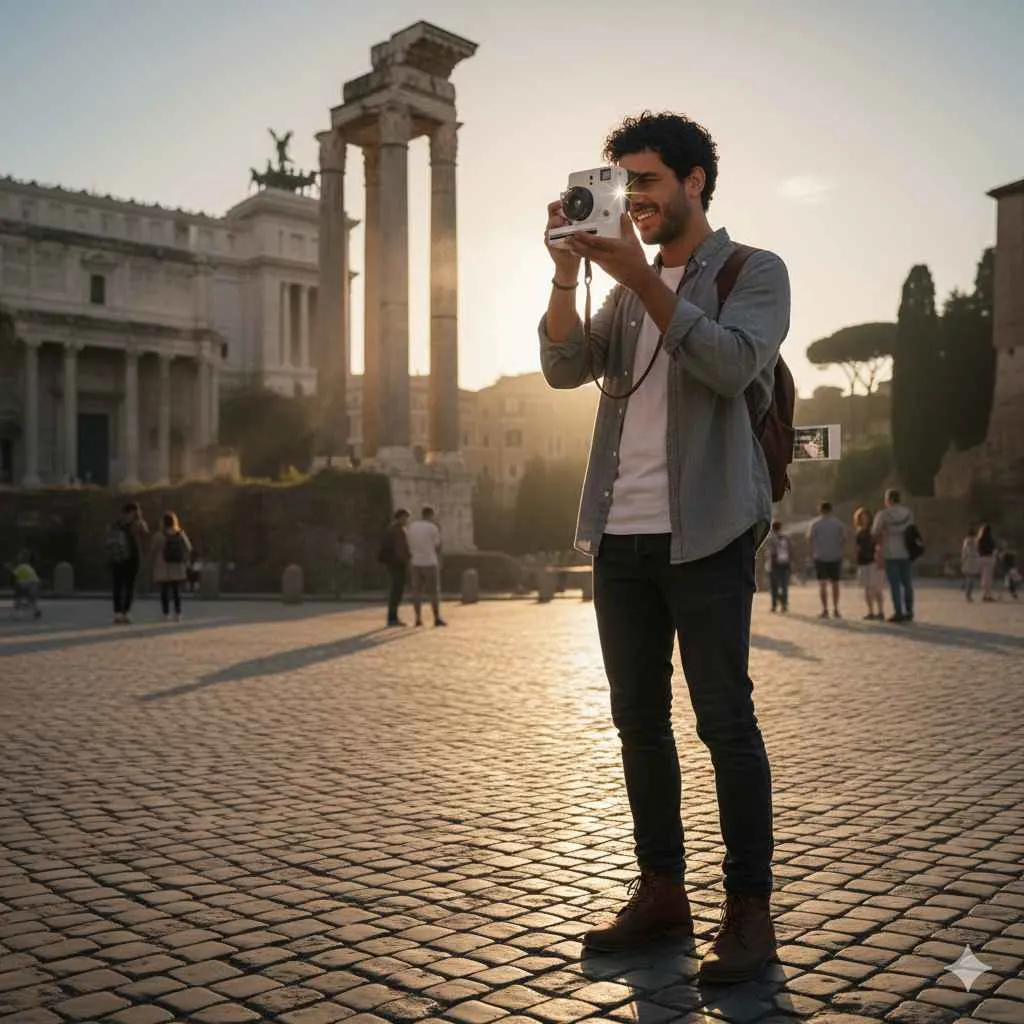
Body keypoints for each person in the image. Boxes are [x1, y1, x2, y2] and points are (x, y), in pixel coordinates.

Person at [540, 111, 790, 983]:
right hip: (620, 534)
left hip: (711, 530)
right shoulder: (616, 288)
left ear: (694, 182)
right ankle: (661, 891)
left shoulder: (755, 273)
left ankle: (749, 912)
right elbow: (566, 371)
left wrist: (646, 281)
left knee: (725, 721)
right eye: (622, 183)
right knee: (638, 723)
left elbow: (728, 366)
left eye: (646, 181)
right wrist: (569, 277)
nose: (633, 198)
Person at [872, 489, 915, 622]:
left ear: (888, 499)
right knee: (907, 583)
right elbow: (912, 529)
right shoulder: (908, 513)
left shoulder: (883, 514)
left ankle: (898, 612)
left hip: (890, 552)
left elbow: (875, 531)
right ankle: (909, 610)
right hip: (906, 551)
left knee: (894, 584)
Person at [107, 501, 149, 624]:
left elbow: (145, 539)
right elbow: (109, 542)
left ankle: (125, 612)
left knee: (129, 585)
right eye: (132, 512)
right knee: (118, 585)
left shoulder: (138, 525)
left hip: (133, 558)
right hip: (119, 557)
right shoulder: (116, 525)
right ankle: (118, 612)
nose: (134, 515)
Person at [406, 506, 447, 628]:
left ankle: (418, 619)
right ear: (431, 515)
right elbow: (437, 545)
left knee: (416, 591)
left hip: (415, 562)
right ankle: (436, 617)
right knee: (433, 591)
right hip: (429, 561)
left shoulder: (412, 526)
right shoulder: (433, 527)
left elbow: (408, 543)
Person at [151, 511, 192, 622]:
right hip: (177, 566)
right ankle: (178, 613)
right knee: (176, 591)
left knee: (164, 592)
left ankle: (166, 614)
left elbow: (153, 548)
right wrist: (185, 560)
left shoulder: (159, 535)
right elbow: (188, 548)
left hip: (163, 566)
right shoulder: (180, 534)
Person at [807, 501, 845, 618]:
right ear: (831, 510)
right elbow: (843, 539)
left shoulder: (815, 524)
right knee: (835, 584)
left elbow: (809, 538)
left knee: (822, 584)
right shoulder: (838, 524)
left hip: (820, 556)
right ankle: (836, 609)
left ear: (820, 510)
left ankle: (825, 609)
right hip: (835, 556)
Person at [378, 509, 411, 627]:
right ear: (401, 517)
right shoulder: (398, 530)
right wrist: (406, 560)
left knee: (396, 589)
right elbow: (400, 549)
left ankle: (392, 616)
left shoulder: (391, 529)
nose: (407, 520)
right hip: (397, 562)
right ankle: (392, 617)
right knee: (397, 589)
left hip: (391, 562)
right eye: (406, 518)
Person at [853, 507, 885, 620]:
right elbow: (857, 547)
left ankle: (881, 611)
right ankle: (870, 611)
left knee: (876, 588)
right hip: (863, 562)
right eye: (862, 518)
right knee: (867, 589)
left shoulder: (874, 530)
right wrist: (856, 559)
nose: (864, 519)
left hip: (873, 561)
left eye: (866, 517)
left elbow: (879, 544)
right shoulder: (859, 532)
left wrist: (880, 557)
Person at [764, 521, 792, 613]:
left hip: (774, 564)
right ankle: (784, 604)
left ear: (772, 528)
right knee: (784, 586)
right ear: (780, 527)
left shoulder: (770, 538)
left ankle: (774, 605)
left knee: (773, 586)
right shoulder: (786, 537)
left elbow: (769, 552)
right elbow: (790, 550)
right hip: (785, 563)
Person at [9, 551, 42, 620]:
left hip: (24, 583)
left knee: (19, 597)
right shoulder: (28, 567)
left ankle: (19, 614)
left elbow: (14, 575)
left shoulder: (20, 567)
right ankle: (37, 610)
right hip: (35, 583)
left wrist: (10, 569)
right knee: (33, 599)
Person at [976, 522, 997, 602]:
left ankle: (985, 594)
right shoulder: (991, 540)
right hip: (989, 558)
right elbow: (994, 550)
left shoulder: (980, 539)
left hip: (981, 558)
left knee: (983, 577)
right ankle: (987, 595)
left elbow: (978, 549)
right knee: (988, 578)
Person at [960, 525, 980, 602]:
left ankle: (967, 592)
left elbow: (964, 551)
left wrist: (963, 559)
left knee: (969, 577)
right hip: (974, 559)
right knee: (971, 578)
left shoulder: (967, 541)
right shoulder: (976, 541)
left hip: (969, 559)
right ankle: (968, 594)